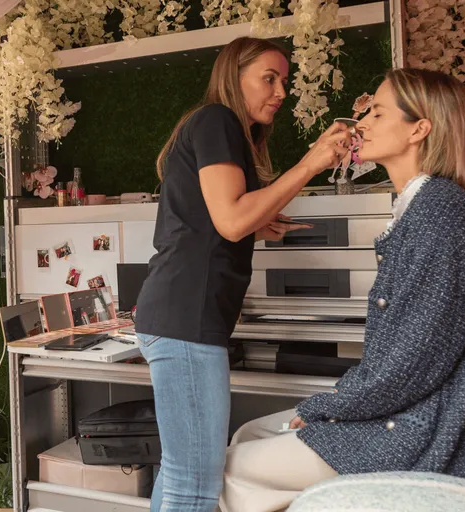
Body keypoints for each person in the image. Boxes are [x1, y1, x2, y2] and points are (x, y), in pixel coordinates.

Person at [220, 69, 465, 512]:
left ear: (419, 129)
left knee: (229, 466)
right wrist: (334, 403)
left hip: (425, 429)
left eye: (378, 113)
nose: (361, 123)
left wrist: (327, 407)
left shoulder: (440, 216)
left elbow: (414, 362)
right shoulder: (426, 207)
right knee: (248, 434)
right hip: (408, 411)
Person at [133, 36, 352, 512]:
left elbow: (218, 220)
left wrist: (259, 221)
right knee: (194, 486)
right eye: (268, 79)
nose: (280, 92)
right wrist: (311, 163)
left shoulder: (216, 126)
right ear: (234, 78)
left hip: (177, 316)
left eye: (284, 81)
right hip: (186, 320)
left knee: (180, 472)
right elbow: (230, 220)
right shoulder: (218, 119)